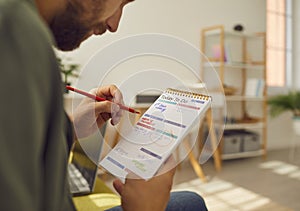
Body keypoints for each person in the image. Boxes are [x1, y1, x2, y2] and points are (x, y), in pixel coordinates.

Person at [0, 0, 208, 210]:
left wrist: (71, 128)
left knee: (191, 201)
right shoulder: (13, 29)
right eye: (121, 2)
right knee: (192, 204)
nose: (114, 24)